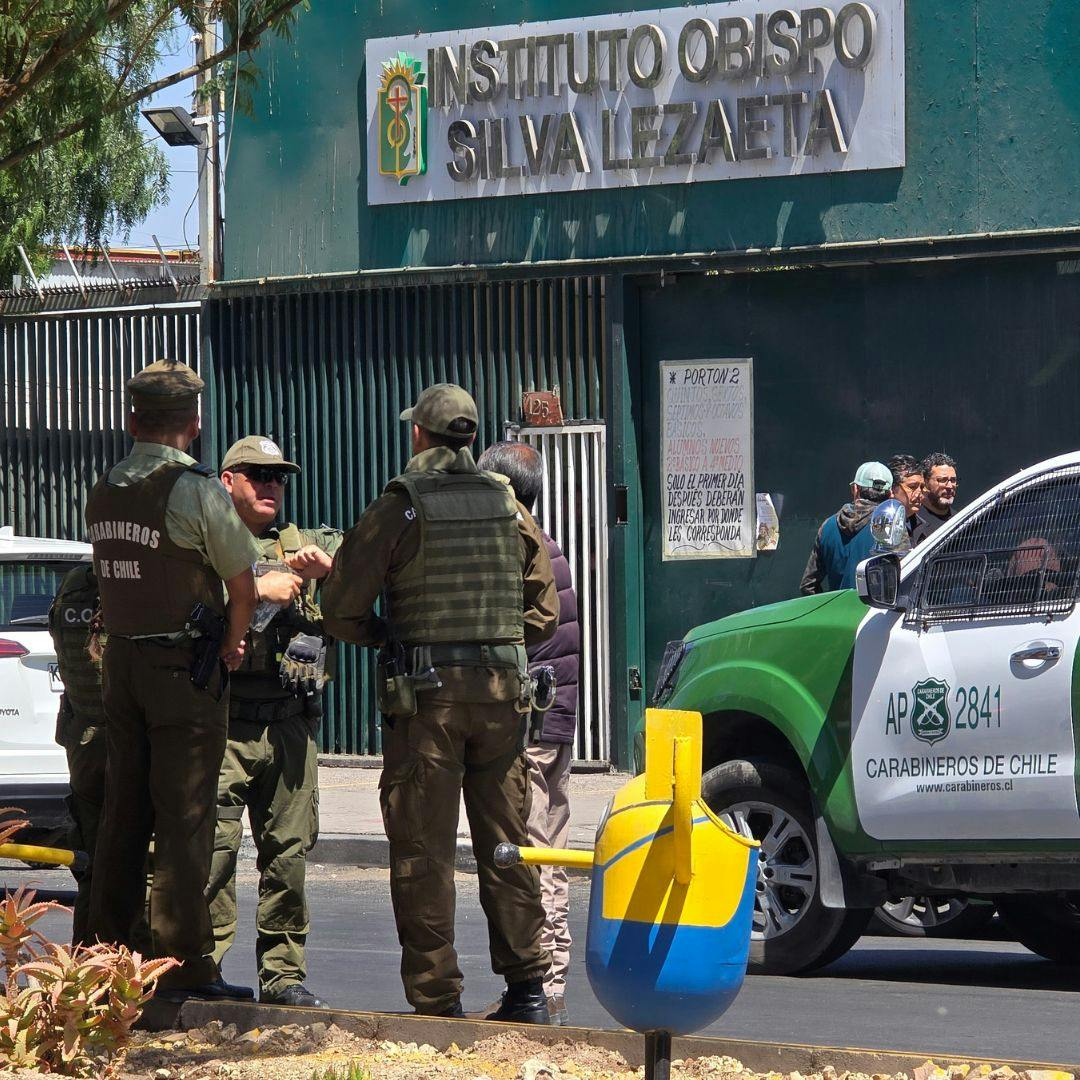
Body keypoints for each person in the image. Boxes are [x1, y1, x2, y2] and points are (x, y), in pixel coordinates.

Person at [321, 383, 558, 1023]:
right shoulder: (508, 504)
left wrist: (389, 637)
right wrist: (497, 644)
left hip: (428, 703)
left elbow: (340, 605)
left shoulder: (402, 504)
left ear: (419, 435)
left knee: (424, 853)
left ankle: (436, 1002)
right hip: (505, 700)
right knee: (506, 846)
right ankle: (529, 992)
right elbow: (545, 609)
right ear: (471, 438)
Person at [84, 359, 260, 1003]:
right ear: (195, 420)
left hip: (122, 666)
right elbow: (242, 583)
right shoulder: (195, 491)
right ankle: (184, 964)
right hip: (182, 671)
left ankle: (105, 956)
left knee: (123, 812)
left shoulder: (104, 487)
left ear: (131, 419)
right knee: (186, 816)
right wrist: (236, 640)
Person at [207, 436, 342, 1009]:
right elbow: (172, 602)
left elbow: (369, 577)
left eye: (278, 477)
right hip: (222, 724)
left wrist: (329, 572)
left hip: (288, 726)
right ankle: (199, 965)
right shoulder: (205, 547)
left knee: (287, 854)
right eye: (256, 475)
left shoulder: (305, 543)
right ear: (226, 481)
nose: (269, 486)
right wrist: (256, 587)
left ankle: (283, 974)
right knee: (212, 851)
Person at [476, 441, 579, 1028]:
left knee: (536, 853)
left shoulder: (523, 554)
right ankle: (550, 984)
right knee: (549, 849)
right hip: (554, 721)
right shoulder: (550, 549)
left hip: (535, 726)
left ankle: (545, 987)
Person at [48, 563, 107, 945]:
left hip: (85, 737)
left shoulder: (75, 583)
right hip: (128, 740)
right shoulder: (140, 581)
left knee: (92, 861)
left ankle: (87, 968)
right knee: (140, 864)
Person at [800, 461, 893, 594]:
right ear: (890, 494)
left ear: (855, 489)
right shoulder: (892, 528)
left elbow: (808, 585)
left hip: (838, 613)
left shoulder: (827, 526)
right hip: (879, 614)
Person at [887, 454, 926, 550]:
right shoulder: (879, 525)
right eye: (912, 487)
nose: (919, 493)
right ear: (891, 489)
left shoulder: (922, 526)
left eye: (921, 487)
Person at [916, 452, 959, 537]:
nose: (950, 486)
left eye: (953, 480)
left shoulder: (961, 520)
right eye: (942, 480)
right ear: (924, 483)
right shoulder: (913, 522)